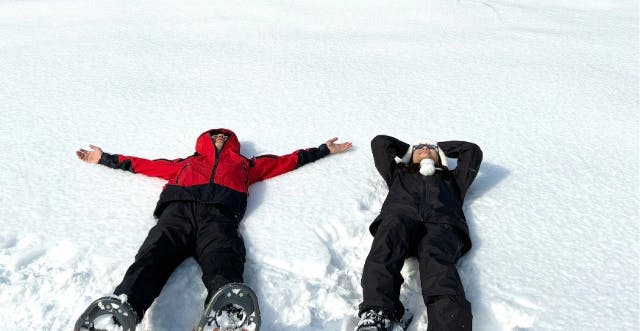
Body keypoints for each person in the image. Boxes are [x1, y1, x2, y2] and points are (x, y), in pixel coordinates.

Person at [75, 128, 352, 327]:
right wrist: (103, 158)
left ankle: (227, 311)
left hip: (219, 217)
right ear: (204, 141)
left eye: (225, 136)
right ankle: (122, 309)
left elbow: (285, 161)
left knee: (224, 255)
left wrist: (323, 150)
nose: (219, 138)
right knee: (152, 256)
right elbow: (143, 165)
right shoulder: (185, 163)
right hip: (178, 213)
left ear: (232, 143)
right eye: (214, 135)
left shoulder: (246, 165)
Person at [356, 135, 482, 331]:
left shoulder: (453, 179)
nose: (425, 149)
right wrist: (408, 151)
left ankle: (449, 326)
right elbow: (380, 143)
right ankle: (377, 314)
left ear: (439, 157)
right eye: (420, 148)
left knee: (439, 267)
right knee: (384, 251)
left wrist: (440, 147)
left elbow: (472, 151)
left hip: (441, 225)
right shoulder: (399, 173)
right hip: (399, 218)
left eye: (430, 149)